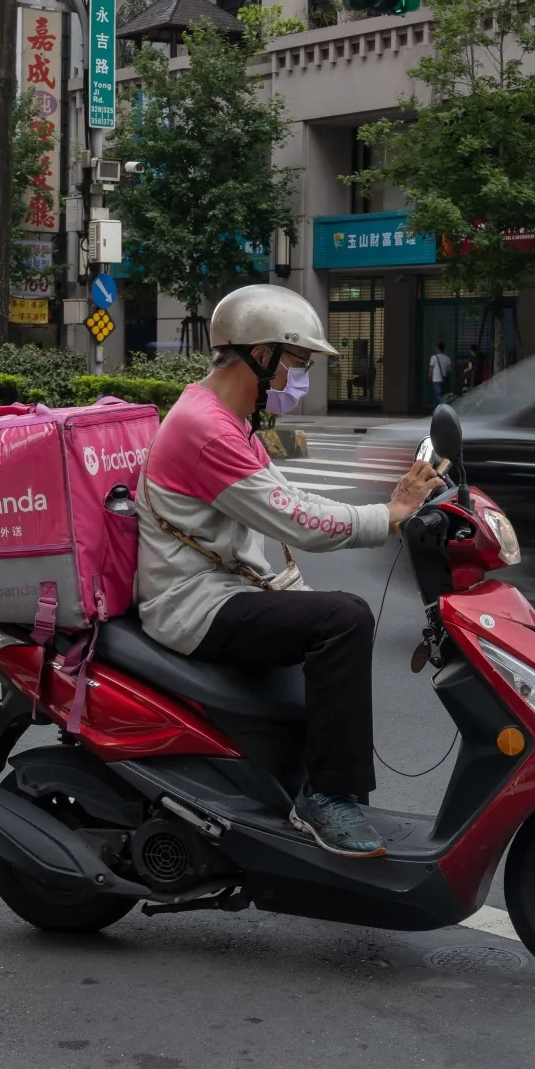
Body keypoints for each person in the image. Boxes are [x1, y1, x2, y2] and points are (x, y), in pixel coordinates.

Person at [135, 285, 440, 858]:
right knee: (344, 618)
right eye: (296, 362)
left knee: (326, 616)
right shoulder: (206, 427)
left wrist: (391, 510)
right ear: (261, 353)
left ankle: (315, 783)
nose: (298, 378)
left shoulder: (227, 418)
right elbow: (297, 521)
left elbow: (286, 501)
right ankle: (327, 797)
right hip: (192, 603)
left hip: (220, 587)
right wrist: (388, 517)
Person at [427, 341, 453, 408]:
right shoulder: (447, 358)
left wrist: (429, 376)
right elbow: (450, 370)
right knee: (438, 396)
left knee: (438, 396)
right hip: (444, 379)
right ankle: (436, 410)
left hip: (436, 379)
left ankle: (446, 407)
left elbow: (431, 369)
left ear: (437, 348)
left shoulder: (434, 357)